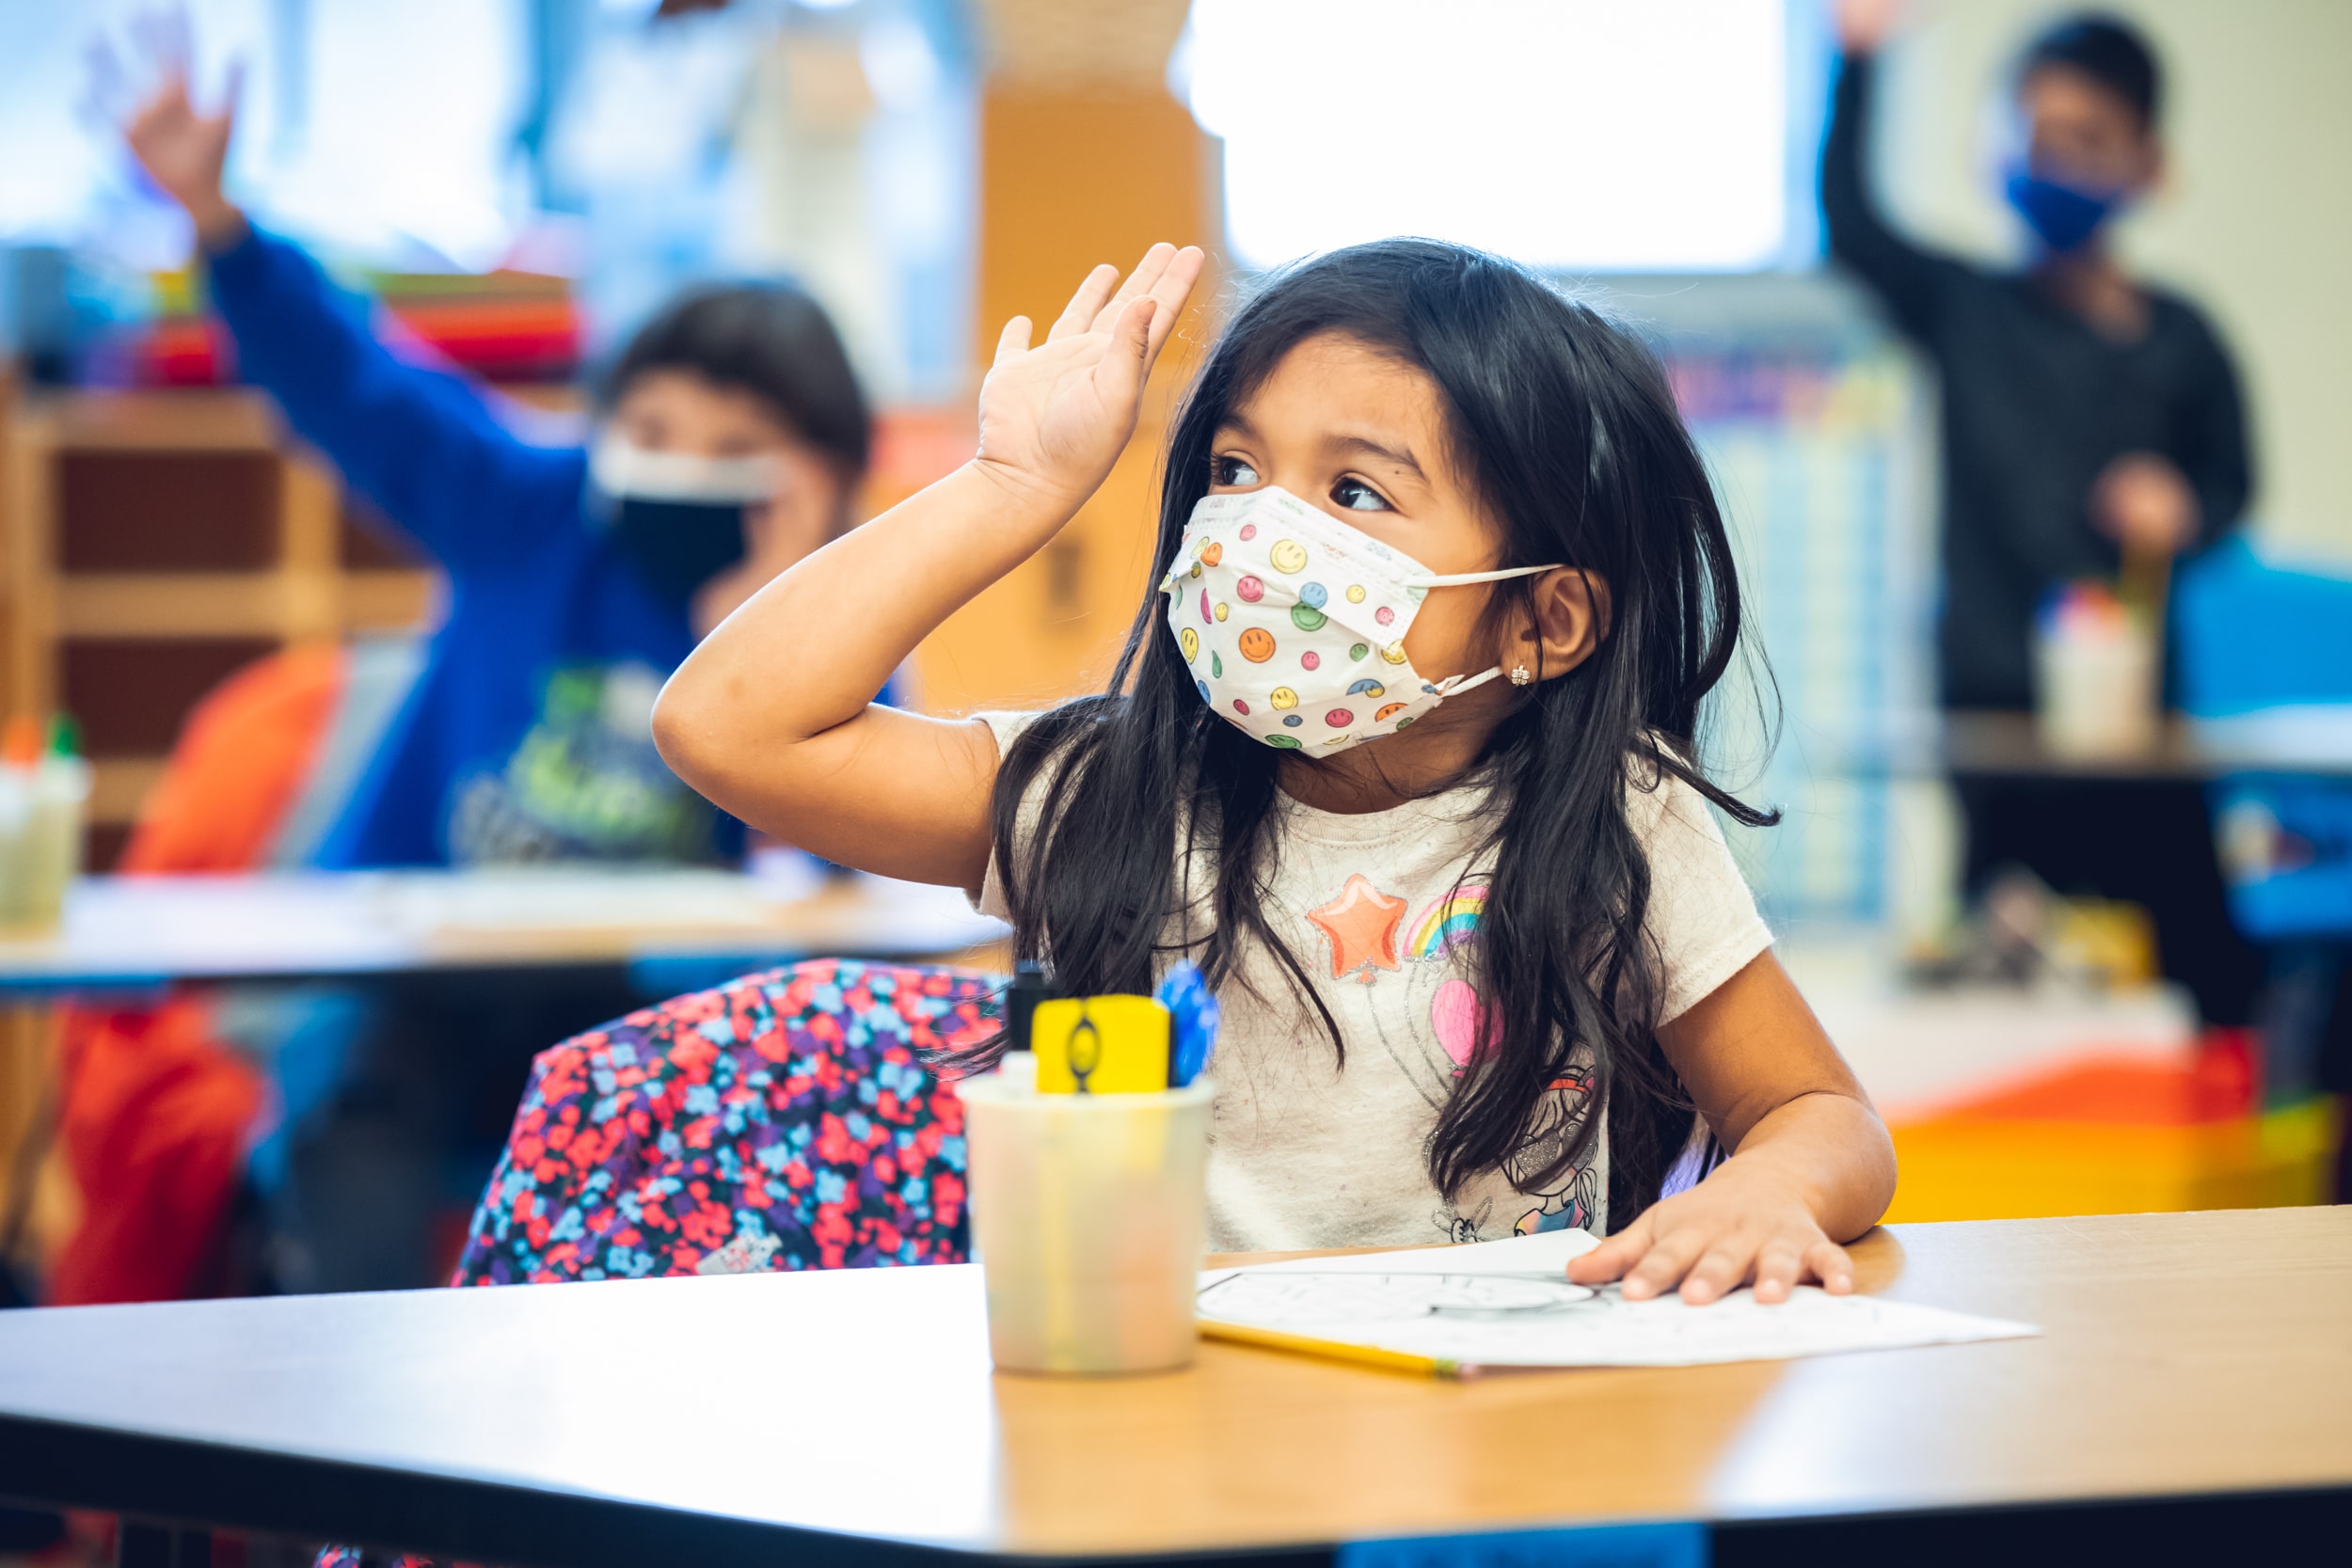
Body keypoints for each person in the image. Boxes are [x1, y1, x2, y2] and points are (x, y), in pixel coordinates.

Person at [655, 240, 1897, 1298]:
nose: (1260, 533)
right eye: (1237, 471)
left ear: (1542, 620)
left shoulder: (1620, 815)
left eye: (1353, 489)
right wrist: (1010, 485)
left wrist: (1771, 1193)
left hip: (1501, 1446)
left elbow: (1822, 1115)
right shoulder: (1113, 792)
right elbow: (727, 727)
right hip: (1187, 1420)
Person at [110, 32, 874, 867]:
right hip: (414, 965)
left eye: (736, 446)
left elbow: (847, 874)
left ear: (824, 482)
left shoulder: (848, 626)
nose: (685, 467)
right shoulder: (527, 508)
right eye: (651, 432)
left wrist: (778, 640)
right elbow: (358, 386)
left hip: (659, 987)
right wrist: (220, 224)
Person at [1823, 4, 2262, 1024]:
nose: (2053, 163)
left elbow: (2235, 488)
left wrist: (2185, 508)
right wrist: (1857, 60)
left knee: (2198, 969)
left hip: (2137, 724)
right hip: (1993, 713)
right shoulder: (1964, 310)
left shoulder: (2183, 340)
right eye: (2035, 137)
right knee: (2004, 978)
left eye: (2086, 142)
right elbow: (1848, 221)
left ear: (2147, 164)